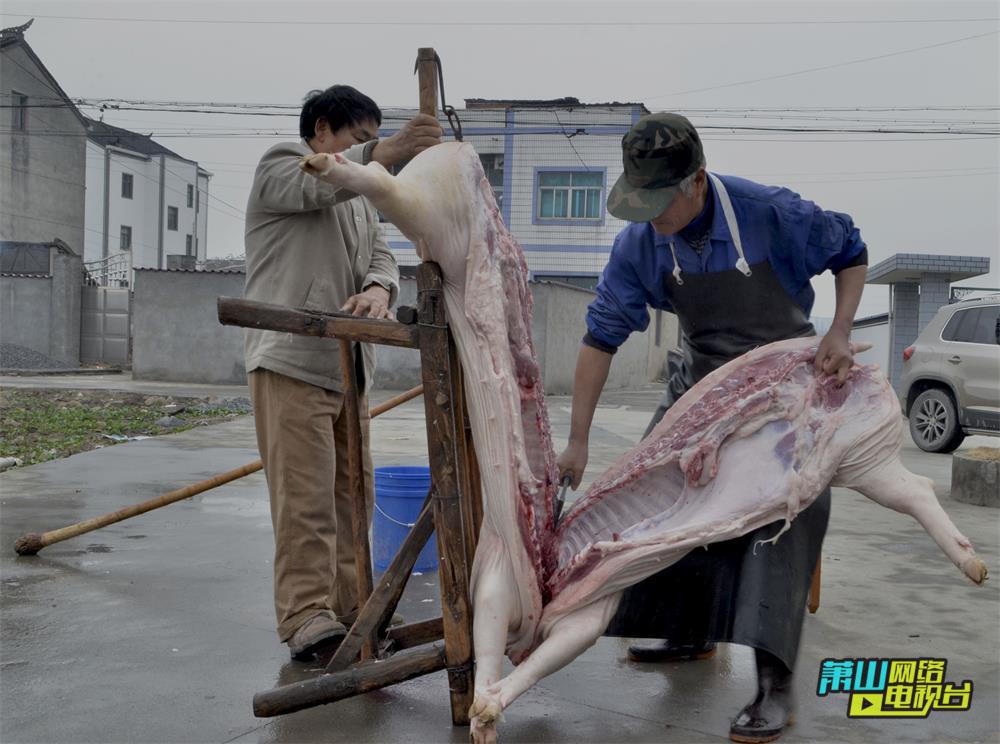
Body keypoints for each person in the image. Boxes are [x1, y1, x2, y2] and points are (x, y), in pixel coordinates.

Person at [556, 112, 868, 743]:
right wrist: (579, 439)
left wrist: (838, 331)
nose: (650, 216)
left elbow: (851, 250)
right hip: (700, 382)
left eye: (659, 201)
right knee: (661, 497)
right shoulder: (641, 244)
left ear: (696, 181)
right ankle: (689, 633)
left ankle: (775, 684)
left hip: (785, 386)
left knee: (779, 518)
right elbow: (600, 338)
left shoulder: (769, 213)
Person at [243, 85, 441, 662]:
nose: (368, 150)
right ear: (324, 130)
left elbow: (381, 254)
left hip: (347, 367)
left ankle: (355, 608)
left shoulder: (358, 201)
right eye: (360, 138)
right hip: (292, 360)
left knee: (353, 493)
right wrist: (385, 155)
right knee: (304, 500)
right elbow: (317, 182)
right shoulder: (281, 166)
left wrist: (380, 287)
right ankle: (306, 616)